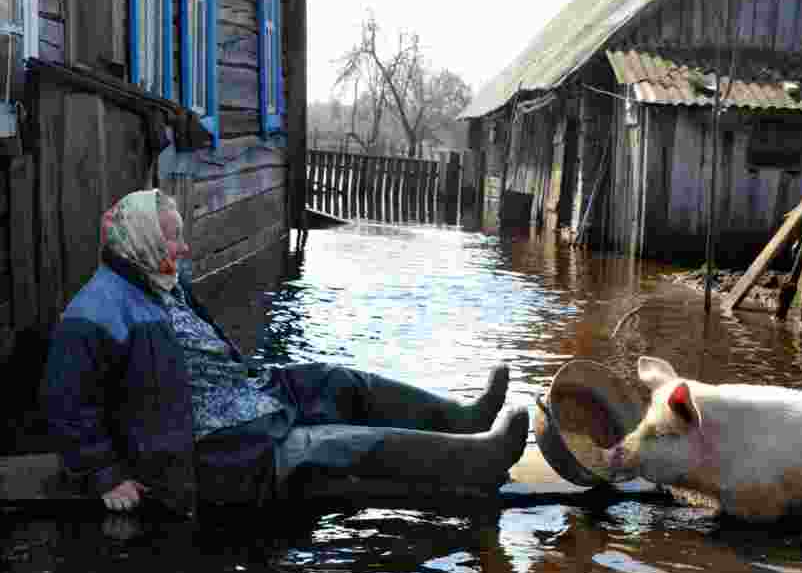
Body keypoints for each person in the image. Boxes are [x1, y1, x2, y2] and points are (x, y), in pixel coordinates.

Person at [42, 190, 528, 515]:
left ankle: (463, 418)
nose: (185, 247)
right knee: (337, 445)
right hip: (213, 447)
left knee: (340, 380)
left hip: (247, 394)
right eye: (173, 235)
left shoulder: (157, 279)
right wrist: (105, 475)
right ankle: (480, 460)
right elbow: (67, 404)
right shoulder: (95, 311)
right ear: (143, 238)